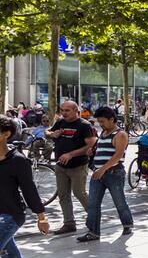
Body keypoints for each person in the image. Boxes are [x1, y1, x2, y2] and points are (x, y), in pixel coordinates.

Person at [0, 115, 51, 258]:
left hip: (10, 216)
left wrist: (41, 217)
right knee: (11, 257)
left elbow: (29, 191)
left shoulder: (18, 161)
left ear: (6, 134)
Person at [77, 107, 133, 242]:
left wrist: (103, 169)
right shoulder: (103, 133)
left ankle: (127, 224)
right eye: (99, 122)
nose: (101, 124)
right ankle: (93, 231)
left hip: (114, 173)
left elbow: (118, 155)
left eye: (102, 121)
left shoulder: (120, 134)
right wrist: (93, 152)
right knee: (93, 203)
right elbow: (103, 150)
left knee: (119, 201)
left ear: (112, 119)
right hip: (98, 173)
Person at [46, 100, 96, 235]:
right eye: (62, 110)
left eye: (67, 110)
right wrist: (52, 134)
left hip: (78, 165)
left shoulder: (84, 125)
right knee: (63, 195)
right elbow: (47, 132)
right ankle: (69, 223)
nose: (63, 113)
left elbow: (91, 144)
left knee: (79, 193)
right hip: (60, 166)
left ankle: (94, 218)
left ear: (76, 110)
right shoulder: (60, 122)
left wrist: (71, 154)